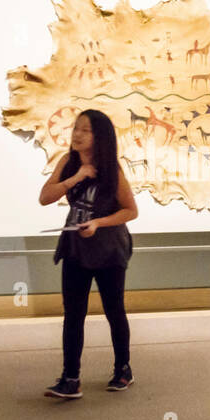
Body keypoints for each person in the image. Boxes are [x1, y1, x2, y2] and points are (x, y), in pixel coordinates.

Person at [39, 109, 138, 399]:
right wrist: (77, 176)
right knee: (73, 314)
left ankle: (123, 369)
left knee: (114, 310)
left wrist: (98, 222)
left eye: (85, 130)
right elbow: (45, 197)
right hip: (75, 248)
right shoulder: (69, 162)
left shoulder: (111, 169)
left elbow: (130, 211)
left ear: (100, 137)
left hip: (108, 248)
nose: (77, 135)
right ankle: (71, 378)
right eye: (76, 128)